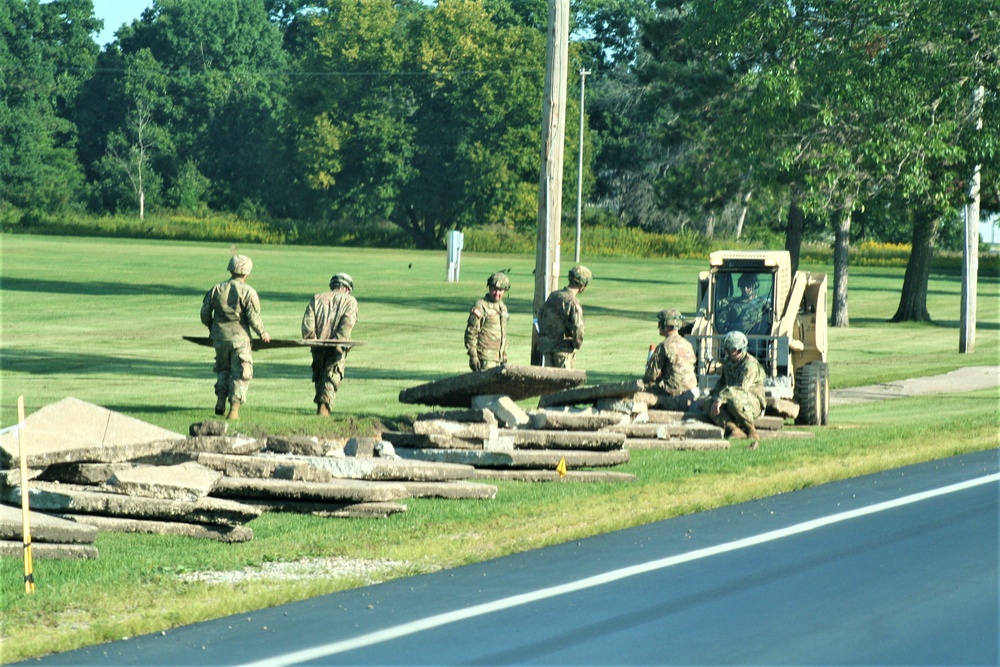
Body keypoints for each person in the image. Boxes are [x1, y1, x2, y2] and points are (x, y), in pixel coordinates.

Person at [200, 254, 271, 420]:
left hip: (219, 338)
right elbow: (254, 318)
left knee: (223, 370)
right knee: (241, 373)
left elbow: (204, 313)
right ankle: (234, 411)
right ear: (246, 272)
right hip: (240, 339)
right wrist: (263, 333)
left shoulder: (217, 288)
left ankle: (220, 401)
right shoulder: (248, 292)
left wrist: (212, 327)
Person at [302, 273, 358, 416]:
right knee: (331, 377)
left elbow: (307, 325)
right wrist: (339, 343)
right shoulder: (350, 301)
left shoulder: (317, 298)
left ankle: (321, 410)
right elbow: (347, 325)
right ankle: (324, 411)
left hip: (317, 345)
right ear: (347, 288)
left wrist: (313, 341)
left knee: (319, 375)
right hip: (337, 347)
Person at [705, 330, 766, 448]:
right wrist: (712, 396)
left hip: (752, 402)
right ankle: (733, 429)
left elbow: (741, 388)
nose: (728, 352)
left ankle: (751, 431)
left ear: (740, 349)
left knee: (735, 401)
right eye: (727, 349)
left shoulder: (749, 364)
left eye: (731, 349)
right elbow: (721, 383)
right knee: (708, 403)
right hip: (731, 397)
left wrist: (721, 398)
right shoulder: (729, 362)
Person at [643, 308, 699, 410]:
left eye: (660, 323)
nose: (658, 326)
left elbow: (651, 375)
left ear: (667, 325)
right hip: (690, 391)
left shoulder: (664, 346)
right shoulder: (688, 345)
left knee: (643, 389)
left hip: (672, 392)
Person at [536, 265, 591, 368]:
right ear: (583, 285)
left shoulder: (554, 296)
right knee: (564, 381)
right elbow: (578, 327)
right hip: (563, 351)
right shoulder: (573, 302)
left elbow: (540, 316)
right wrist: (577, 343)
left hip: (547, 348)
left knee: (550, 380)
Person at [465, 272, 510, 371]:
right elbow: (471, 333)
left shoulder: (502, 307)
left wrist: (504, 355)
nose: (497, 294)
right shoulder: (481, 306)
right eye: (495, 290)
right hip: (485, 358)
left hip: (499, 359)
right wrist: (473, 356)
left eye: (500, 290)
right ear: (490, 288)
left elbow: (503, 334)